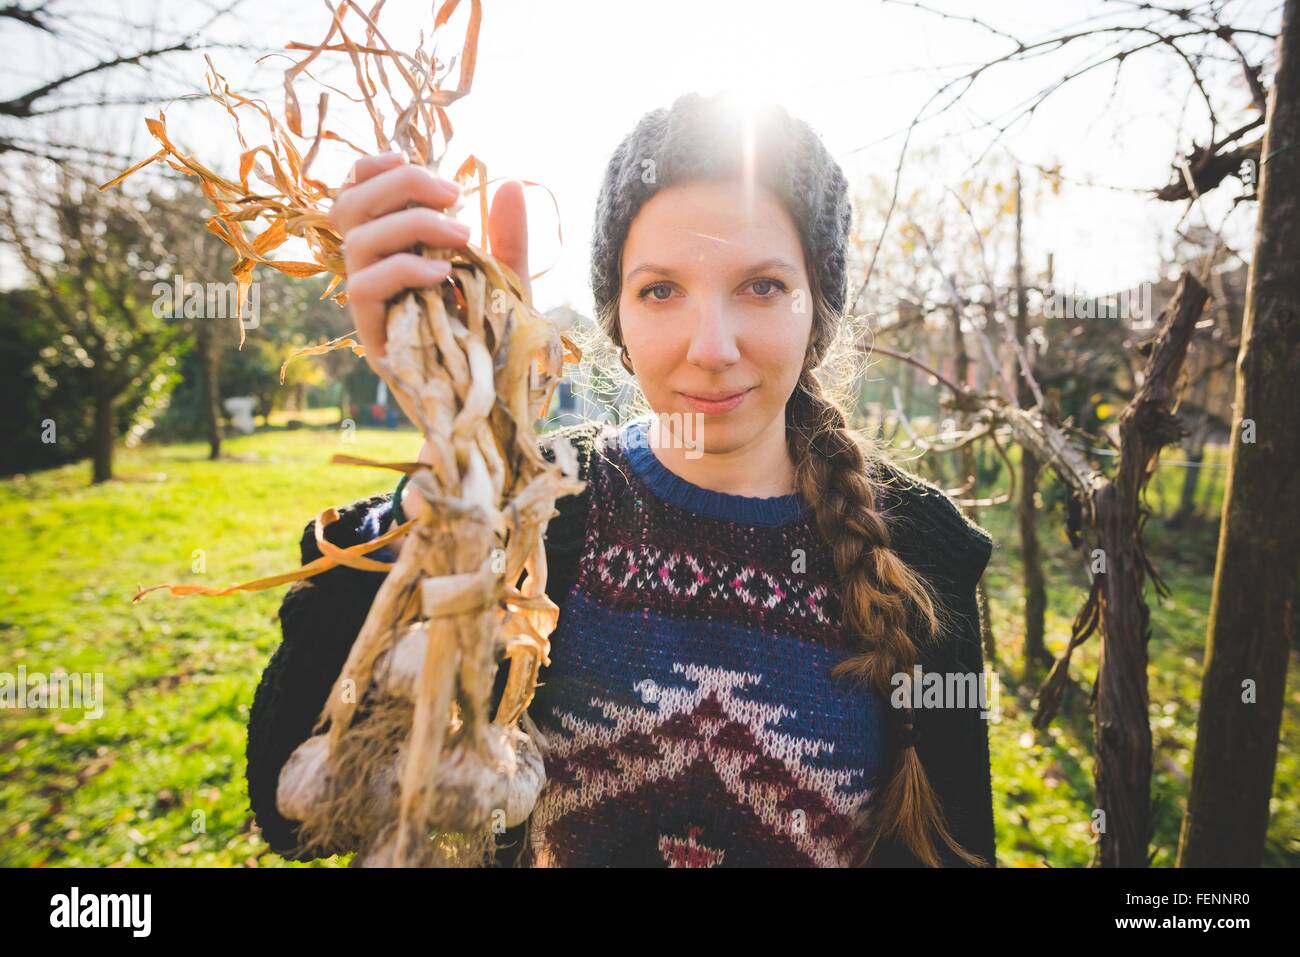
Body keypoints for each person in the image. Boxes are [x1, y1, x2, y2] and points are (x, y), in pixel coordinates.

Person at [245, 91, 997, 868]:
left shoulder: (918, 551)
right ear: (619, 319)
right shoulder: (545, 505)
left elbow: (957, 846)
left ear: (818, 309)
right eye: (661, 289)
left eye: (762, 285)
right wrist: (453, 469)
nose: (711, 346)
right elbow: (296, 811)